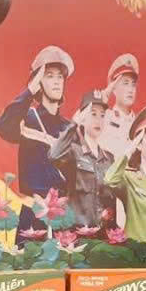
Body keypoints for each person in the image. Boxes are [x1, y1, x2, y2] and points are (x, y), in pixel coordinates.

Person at [0, 45, 74, 238]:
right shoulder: (26, 118)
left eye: (60, 77)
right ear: (38, 81)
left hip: (63, 219)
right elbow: (3, 128)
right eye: (49, 76)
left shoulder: (69, 128)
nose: (56, 82)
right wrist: (30, 91)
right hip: (33, 217)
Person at [48, 89, 115, 235]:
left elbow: (111, 201)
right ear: (83, 118)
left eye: (102, 116)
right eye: (93, 114)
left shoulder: (109, 158)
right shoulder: (73, 151)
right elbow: (53, 155)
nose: (98, 120)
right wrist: (73, 124)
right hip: (75, 235)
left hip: (101, 235)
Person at [103, 104, 146, 243]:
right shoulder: (129, 177)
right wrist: (130, 150)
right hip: (134, 255)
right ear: (139, 145)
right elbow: (109, 180)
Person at [99, 54, 140, 160]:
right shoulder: (104, 117)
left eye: (133, 84)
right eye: (125, 83)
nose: (130, 89)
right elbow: (79, 129)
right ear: (114, 88)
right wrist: (102, 98)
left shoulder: (140, 126)